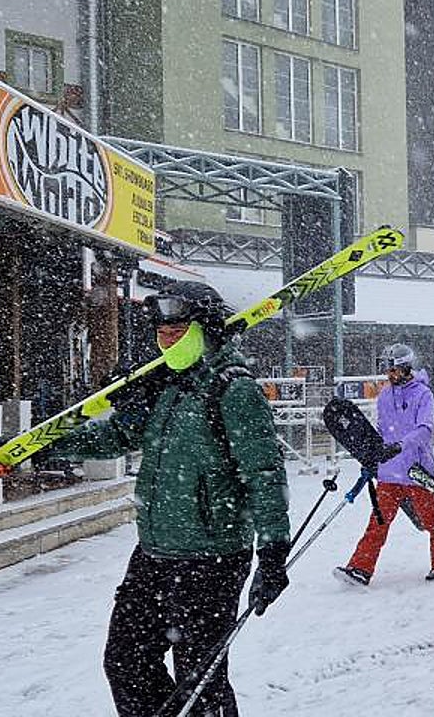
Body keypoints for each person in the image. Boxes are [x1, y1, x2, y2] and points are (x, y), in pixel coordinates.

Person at [49, 282, 291, 716]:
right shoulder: (166, 386)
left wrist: (272, 552)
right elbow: (116, 436)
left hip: (210, 559)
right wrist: (51, 447)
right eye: (162, 330)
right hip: (154, 553)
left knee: (201, 685)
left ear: (208, 328)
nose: (169, 337)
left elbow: (265, 474)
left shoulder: (233, 389)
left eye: (180, 328)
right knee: (126, 662)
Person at [335, 343, 434, 586]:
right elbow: (381, 429)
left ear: (406, 368)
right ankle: (360, 568)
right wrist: (372, 455)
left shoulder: (423, 394)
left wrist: (401, 446)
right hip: (389, 471)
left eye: (394, 370)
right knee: (378, 522)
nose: (389, 375)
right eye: (387, 369)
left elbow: (425, 430)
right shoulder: (384, 395)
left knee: (431, 521)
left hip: (415, 471)